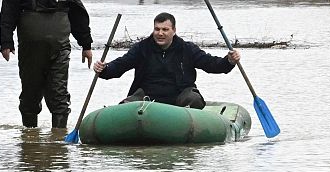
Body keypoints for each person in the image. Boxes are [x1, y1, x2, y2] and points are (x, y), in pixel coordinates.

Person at [0, 0, 94, 128]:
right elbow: (8, 14)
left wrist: (86, 45)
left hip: (59, 51)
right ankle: (29, 139)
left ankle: (58, 142)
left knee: (59, 96)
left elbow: (79, 17)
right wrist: (6, 43)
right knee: (30, 97)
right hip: (30, 52)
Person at [92, 12, 239, 108]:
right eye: (157, 29)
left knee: (194, 99)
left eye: (165, 30)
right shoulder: (142, 48)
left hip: (180, 97)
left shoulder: (186, 48)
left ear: (174, 31)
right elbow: (120, 65)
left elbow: (211, 64)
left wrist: (229, 61)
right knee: (127, 106)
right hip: (148, 97)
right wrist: (104, 69)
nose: (160, 33)